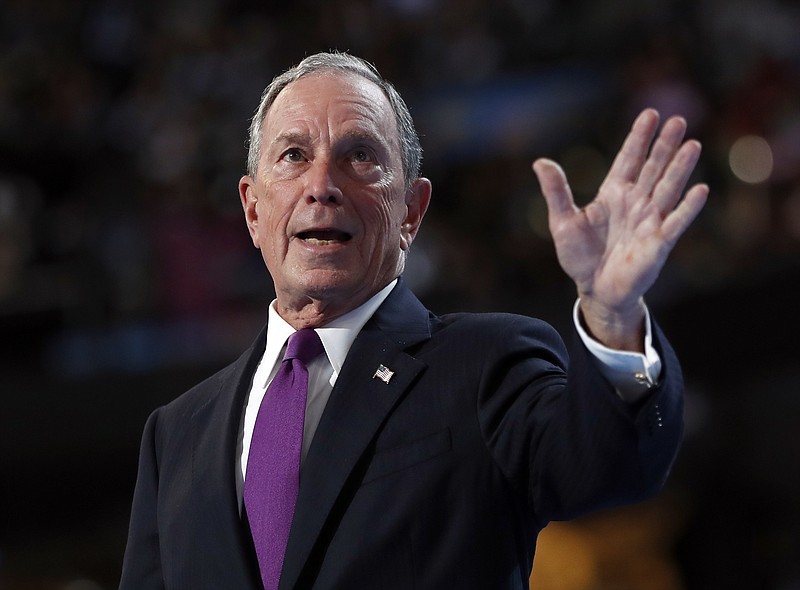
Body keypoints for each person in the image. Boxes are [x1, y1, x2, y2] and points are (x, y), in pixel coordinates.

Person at [119, 52, 708, 589]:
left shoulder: (484, 365)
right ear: (252, 208)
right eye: (294, 155)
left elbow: (608, 466)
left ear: (411, 211)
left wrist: (612, 315)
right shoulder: (176, 435)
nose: (321, 185)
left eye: (360, 155)